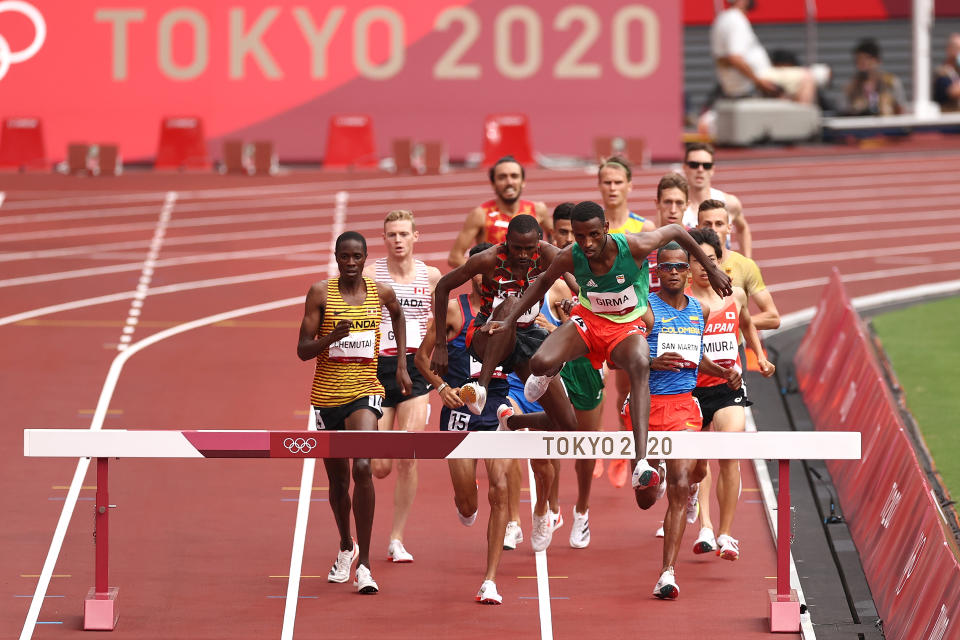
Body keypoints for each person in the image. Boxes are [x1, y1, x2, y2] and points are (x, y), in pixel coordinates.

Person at [493, 202, 732, 500]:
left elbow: (675, 230)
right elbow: (542, 282)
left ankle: (641, 461)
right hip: (589, 322)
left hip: (625, 327)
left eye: (594, 234)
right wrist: (509, 321)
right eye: (581, 237)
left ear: (606, 228)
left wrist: (711, 268)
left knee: (640, 362)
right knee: (539, 362)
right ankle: (549, 371)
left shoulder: (633, 246)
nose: (588, 243)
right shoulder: (571, 255)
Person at [431, 214, 579, 553]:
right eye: (517, 249)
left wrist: (579, 302)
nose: (524, 256)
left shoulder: (551, 255)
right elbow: (443, 286)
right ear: (506, 243)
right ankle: (482, 387)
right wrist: (441, 343)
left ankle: (510, 421)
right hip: (488, 337)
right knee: (512, 303)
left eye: (530, 249)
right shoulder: (488, 259)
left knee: (566, 424)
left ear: (539, 243)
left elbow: (579, 284)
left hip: (527, 343)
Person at [296, 231, 412, 595]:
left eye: (356, 257)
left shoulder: (381, 292)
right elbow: (302, 350)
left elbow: (398, 316)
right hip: (327, 396)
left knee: (363, 465)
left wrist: (401, 365)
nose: (350, 263)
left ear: (365, 258)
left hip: (365, 391)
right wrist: (331, 338)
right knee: (338, 481)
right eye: (344, 256)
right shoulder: (320, 294)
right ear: (335, 257)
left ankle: (365, 566)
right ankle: (347, 545)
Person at [625, 241, 740, 600]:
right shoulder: (645, 311)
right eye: (666, 267)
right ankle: (656, 479)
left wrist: (724, 373)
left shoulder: (699, 311)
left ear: (689, 271)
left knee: (677, 483)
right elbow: (617, 357)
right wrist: (649, 362)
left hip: (683, 408)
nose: (673, 272)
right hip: (646, 408)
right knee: (645, 499)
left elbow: (696, 358)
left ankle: (667, 574)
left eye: (679, 267)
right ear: (657, 273)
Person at [503, 202, 608, 548]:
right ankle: (551, 507)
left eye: (571, 235)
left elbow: (602, 313)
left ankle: (583, 510)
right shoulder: (545, 277)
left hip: (585, 368)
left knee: (584, 444)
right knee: (551, 441)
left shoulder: (585, 277)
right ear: (553, 237)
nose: (567, 240)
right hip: (552, 370)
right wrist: (551, 330)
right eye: (561, 233)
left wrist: (571, 324)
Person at [414, 242, 513, 604]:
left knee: (500, 490)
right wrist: (441, 387)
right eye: (483, 270)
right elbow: (422, 357)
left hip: (499, 408)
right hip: (459, 413)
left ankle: (490, 580)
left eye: (496, 272)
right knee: (469, 504)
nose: (491, 277)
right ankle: (464, 497)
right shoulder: (457, 310)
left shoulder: (512, 311)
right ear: (472, 273)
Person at [686, 228, 776, 560]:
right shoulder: (682, 301)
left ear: (719, 262)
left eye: (708, 260)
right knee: (699, 462)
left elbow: (747, 322)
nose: (701, 267)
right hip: (691, 390)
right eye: (695, 261)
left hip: (728, 389)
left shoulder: (734, 295)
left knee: (729, 450)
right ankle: (705, 528)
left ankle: (724, 533)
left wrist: (759, 357)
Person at [363, 210, 441, 564]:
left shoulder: (432, 276)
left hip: (416, 367)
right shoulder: (370, 276)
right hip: (378, 369)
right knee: (378, 466)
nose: (397, 240)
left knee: (408, 456)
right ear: (384, 239)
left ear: (415, 237)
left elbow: (442, 325)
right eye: (391, 234)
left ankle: (396, 538)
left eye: (403, 234)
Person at [597, 157, 657, 488]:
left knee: (625, 387)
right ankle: (591, 444)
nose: (612, 188)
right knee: (592, 381)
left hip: (629, 316)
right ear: (599, 185)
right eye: (607, 182)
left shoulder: (643, 228)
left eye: (618, 182)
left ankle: (623, 442)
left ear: (630, 186)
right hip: (595, 313)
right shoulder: (593, 227)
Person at [447, 156, 551, 267]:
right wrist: (480, 274)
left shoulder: (538, 209)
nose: (509, 182)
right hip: (495, 283)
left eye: (514, 176)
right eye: (502, 177)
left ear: (523, 182)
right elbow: (455, 257)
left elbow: (556, 239)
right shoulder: (480, 214)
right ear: (493, 184)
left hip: (532, 282)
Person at [711, 0, 815, 104]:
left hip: (739, 84)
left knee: (786, 96)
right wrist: (758, 82)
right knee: (807, 78)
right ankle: (803, 120)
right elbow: (735, 58)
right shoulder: (736, 20)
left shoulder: (723, 19)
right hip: (754, 81)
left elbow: (724, 59)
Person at [698, 200, 780, 331]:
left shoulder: (745, 265)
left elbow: (773, 318)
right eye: (707, 224)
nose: (713, 230)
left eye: (719, 224)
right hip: (695, 350)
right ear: (698, 228)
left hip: (734, 348)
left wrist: (730, 320)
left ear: (729, 228)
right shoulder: (685, 266)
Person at [681, 143, 752, 258]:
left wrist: (748, 261)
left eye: (706, 165)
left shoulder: (729, 203)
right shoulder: (676, 207)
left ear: (712, 169)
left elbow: (743, 228)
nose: (700, 169)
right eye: (694, 165)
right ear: (685, 167)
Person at [843, 39, 905, 117]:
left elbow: (901, 110)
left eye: (866, 60)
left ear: (878, 61)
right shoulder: (852, 86)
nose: (863, 66)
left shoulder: (891, 82)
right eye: (858, 61)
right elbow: (844, 112)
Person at [934, 33, 960, 113]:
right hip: (948, 120)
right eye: (957, 48)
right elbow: (952, 92)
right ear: (949, 49)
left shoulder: (957, 71)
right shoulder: (941, 71)